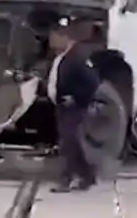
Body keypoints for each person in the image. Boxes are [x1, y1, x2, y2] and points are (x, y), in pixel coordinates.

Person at [47, 15, 100, 193]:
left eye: (54, 37)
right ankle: (87, 175)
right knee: (74, 144)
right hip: (62, 107)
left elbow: (92, 82)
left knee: (68, 143)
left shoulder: (78, 56)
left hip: (74, 108)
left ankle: (65, 180)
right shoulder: (62, 56)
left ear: (65, 37)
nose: (51, 42)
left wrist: (77, 98)